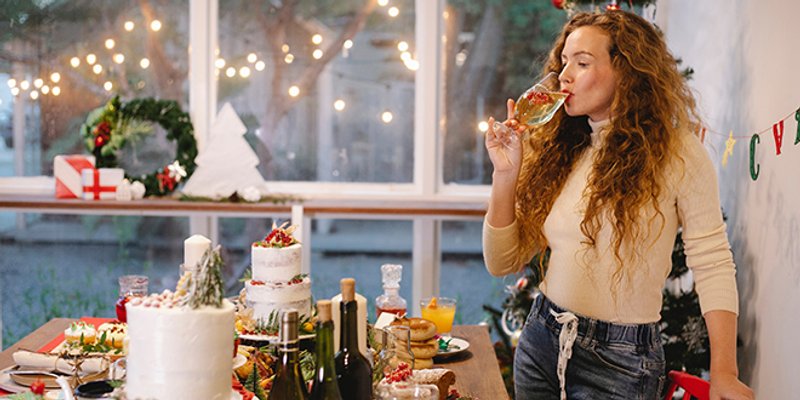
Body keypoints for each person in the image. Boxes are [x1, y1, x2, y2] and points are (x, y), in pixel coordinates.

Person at [483, 10, 754, 400]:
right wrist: (505, 177)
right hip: (542, 340)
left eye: (582, 63)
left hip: (621, 363)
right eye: (564, 63)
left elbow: (712, 263)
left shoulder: (678, 154)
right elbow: (501, 262)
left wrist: (724, 373)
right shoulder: (562, 148)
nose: (564, 76)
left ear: (626, 71)